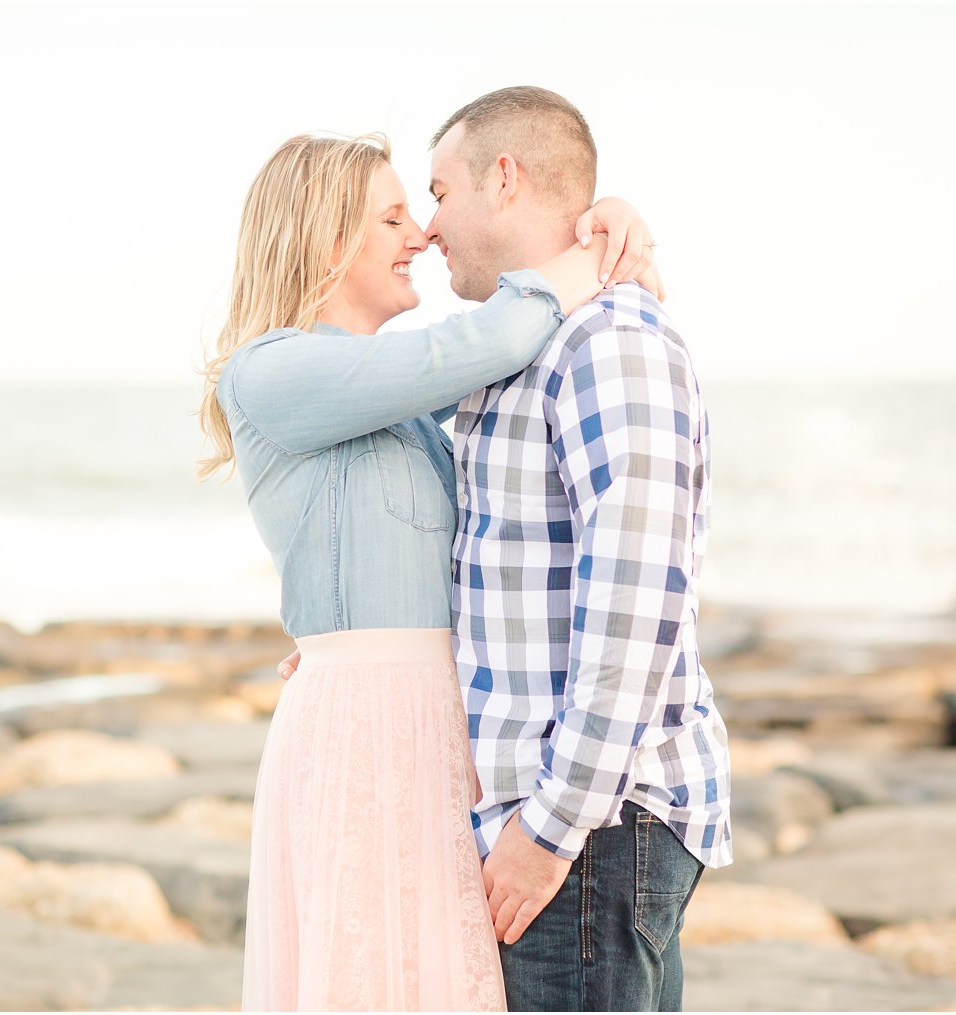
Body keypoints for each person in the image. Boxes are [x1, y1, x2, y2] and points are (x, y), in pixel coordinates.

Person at [198, 131, 660, 1011]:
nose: (420, 235)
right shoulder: (270, 371)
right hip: (367, 728)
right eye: (393, 216)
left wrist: (612, 217)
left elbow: (500, 369)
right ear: (326, 237)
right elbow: (481, 344)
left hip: (441, 721)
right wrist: (589, 253)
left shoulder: (407, 410)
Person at [427, 86, 732, 1011]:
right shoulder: (525, 346)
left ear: (504, 179)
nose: (431, 226)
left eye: (439, 192)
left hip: (594, 829)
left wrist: (549, 831)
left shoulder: (610, 344)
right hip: (565, 824)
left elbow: (635, 603)